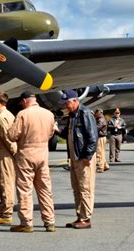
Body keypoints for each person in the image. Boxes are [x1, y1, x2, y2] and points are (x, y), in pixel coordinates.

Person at [8, 91, 56, 233]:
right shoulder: (49, 114)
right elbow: (51, 133)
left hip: (26, 155)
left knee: (25, 190)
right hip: (43, 154)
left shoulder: (23, 114)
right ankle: (49, 222)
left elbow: (12, 135)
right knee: (45, 189)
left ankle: (26, 223)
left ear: (24, 101)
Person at [59, 90, 98, 229]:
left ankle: (86, 218)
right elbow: (68, 135)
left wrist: (87, 156)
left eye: (67, 103)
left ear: (75, 101)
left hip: (83, 158)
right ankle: (79, 216)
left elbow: (93, 138)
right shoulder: (72, 116)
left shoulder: (85, 113)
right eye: (65, 104)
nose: (66, 106)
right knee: (77, 188)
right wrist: (56, 130)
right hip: (75, 157)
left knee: (85, 188)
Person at [0, 92, 17, 225]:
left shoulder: (1, 118)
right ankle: (5, 212)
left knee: (5, 183)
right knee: (7, 182)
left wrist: (15, 153)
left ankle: (6, 214)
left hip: (6, 154)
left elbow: (7, 139)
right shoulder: (9, 114)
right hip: (7, 153)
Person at [95, 109, 109, 173]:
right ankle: (105, 165)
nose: (95, 114)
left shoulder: (101, 120)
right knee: (102, 152)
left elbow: (97, 127)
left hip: (100, 138)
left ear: (99, 113)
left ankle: (100, 167)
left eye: (96, 113)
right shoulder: (101, 119)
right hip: (102, 137)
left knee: (99, 153)